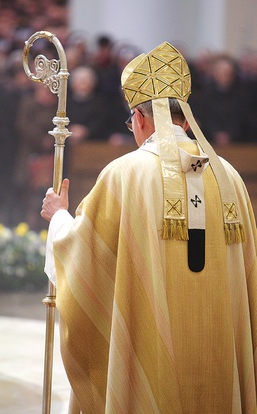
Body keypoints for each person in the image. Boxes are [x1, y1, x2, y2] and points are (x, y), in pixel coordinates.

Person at [41, 42, 257, 413]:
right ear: (185, 120)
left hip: (152, 354)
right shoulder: (232, 179)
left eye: (131, 123)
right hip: (220, 351)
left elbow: (85, 257)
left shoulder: (126, 174)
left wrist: (59, 217)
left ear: (139, 119)